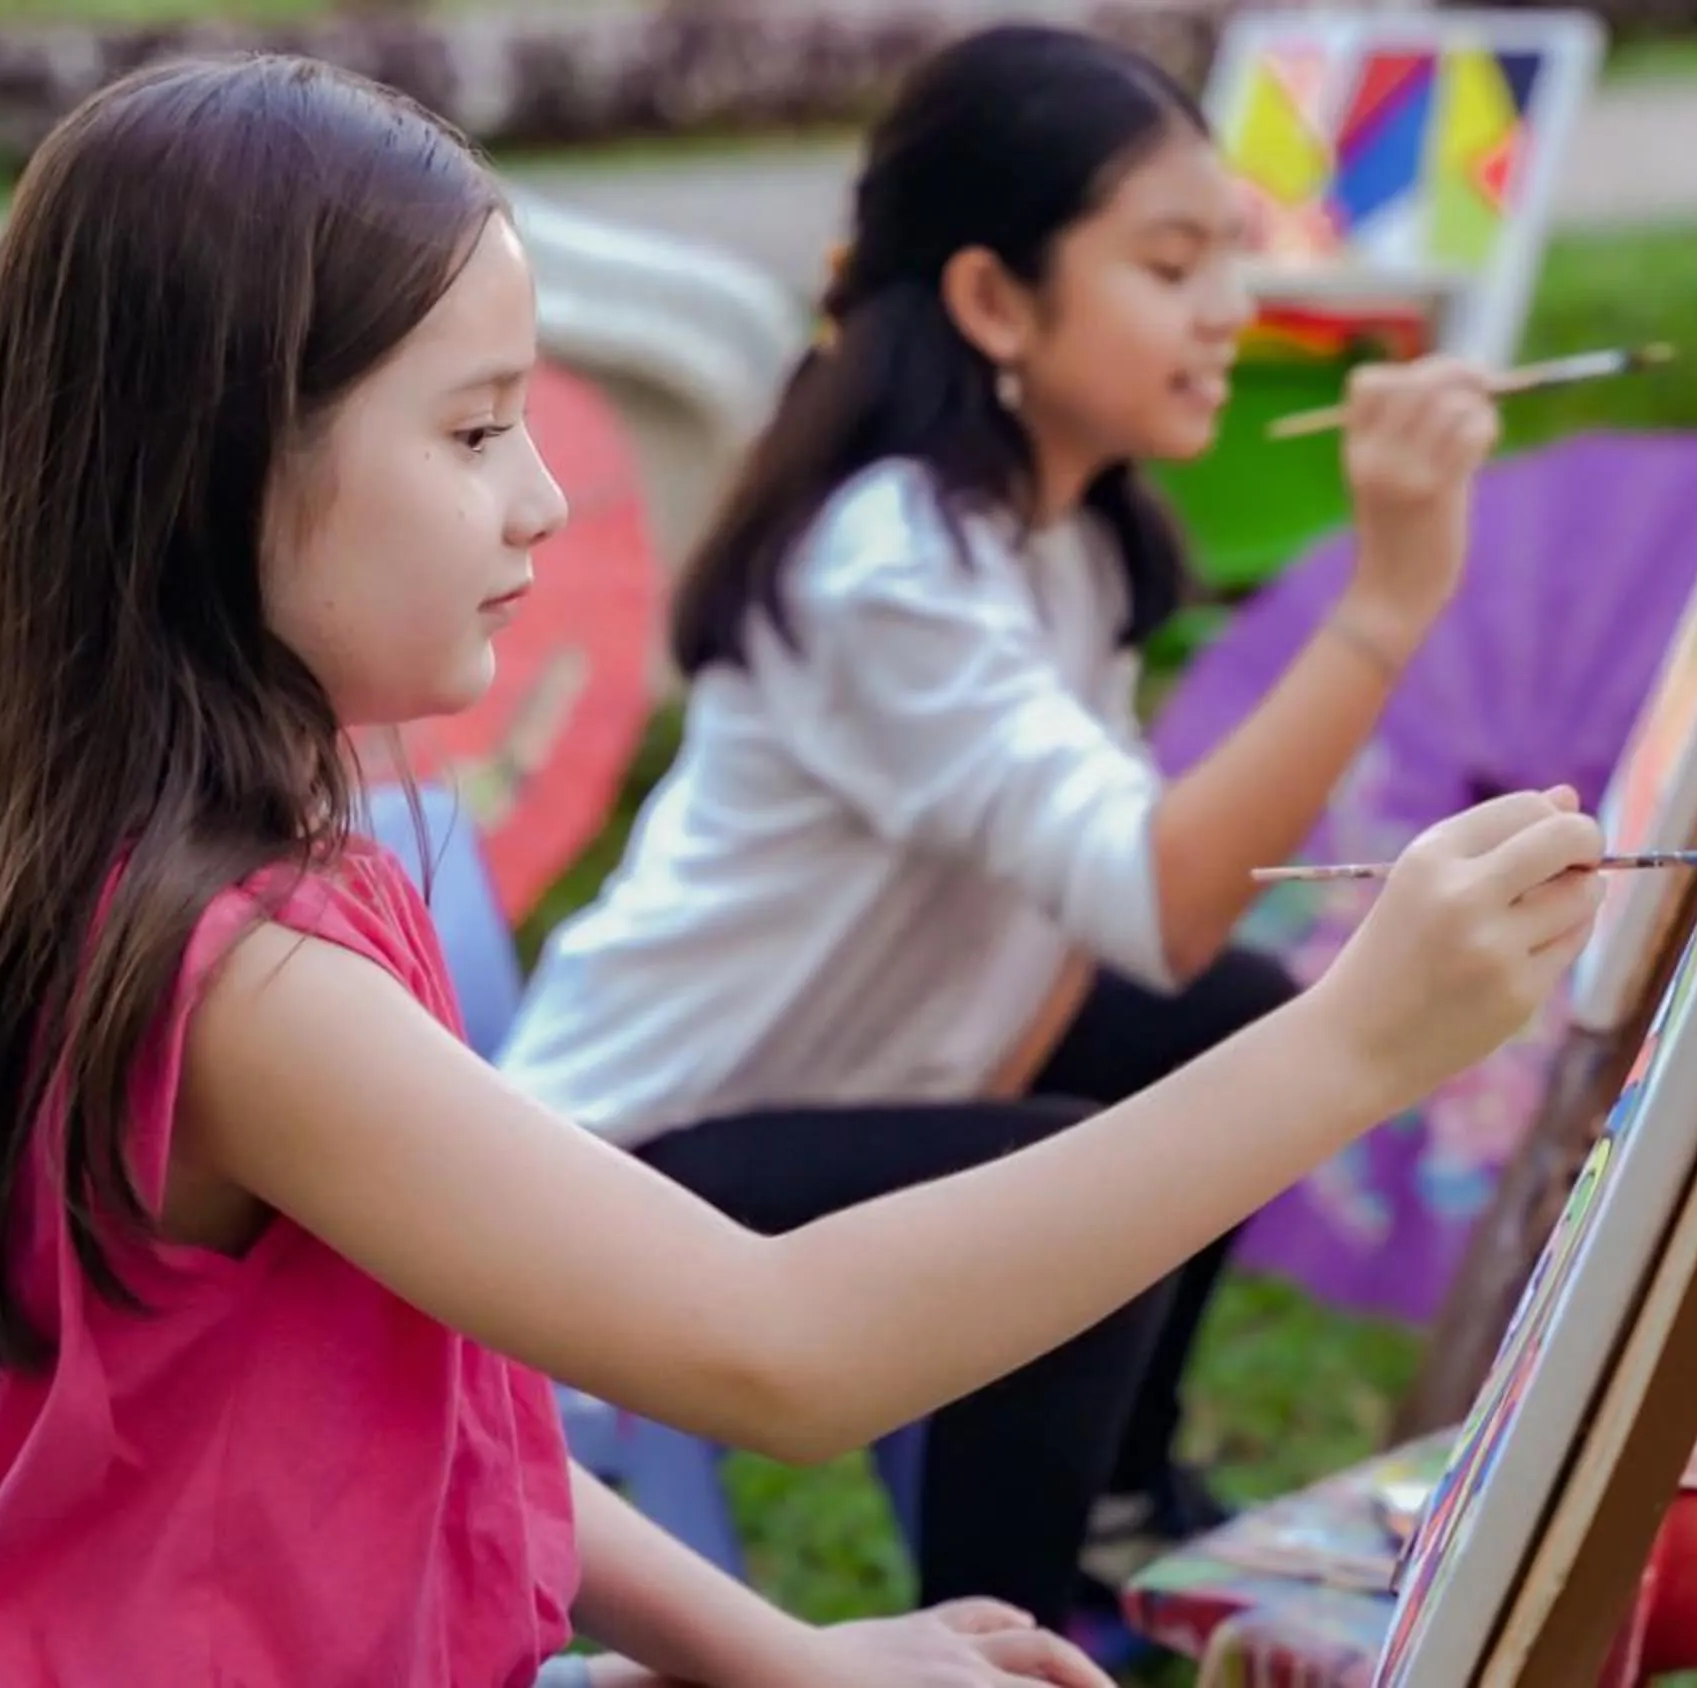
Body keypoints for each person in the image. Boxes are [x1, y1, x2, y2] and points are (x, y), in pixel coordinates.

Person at [0, 46, 1600, 1688]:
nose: (543, 497)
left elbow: (451, 1413)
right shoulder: (244, 982)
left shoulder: (290, 877)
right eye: (472, 431)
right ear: (220, 466)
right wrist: (1354, 1046)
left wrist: (787, 1661)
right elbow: (782, 1353)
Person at [498, 23, 1501, 1639]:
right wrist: (1383, 602)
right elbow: (1163, 894)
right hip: (626, 1169)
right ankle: (1010, 1632)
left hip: (847, 1083)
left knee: (1221, 1024)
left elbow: (1129, 928)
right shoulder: (889, 568)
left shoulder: (1064, 538)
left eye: (1230, 258)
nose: (1229, 311)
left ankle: (1111, 1510)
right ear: (993, 300)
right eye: (1170, 265)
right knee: (1073, 1173)